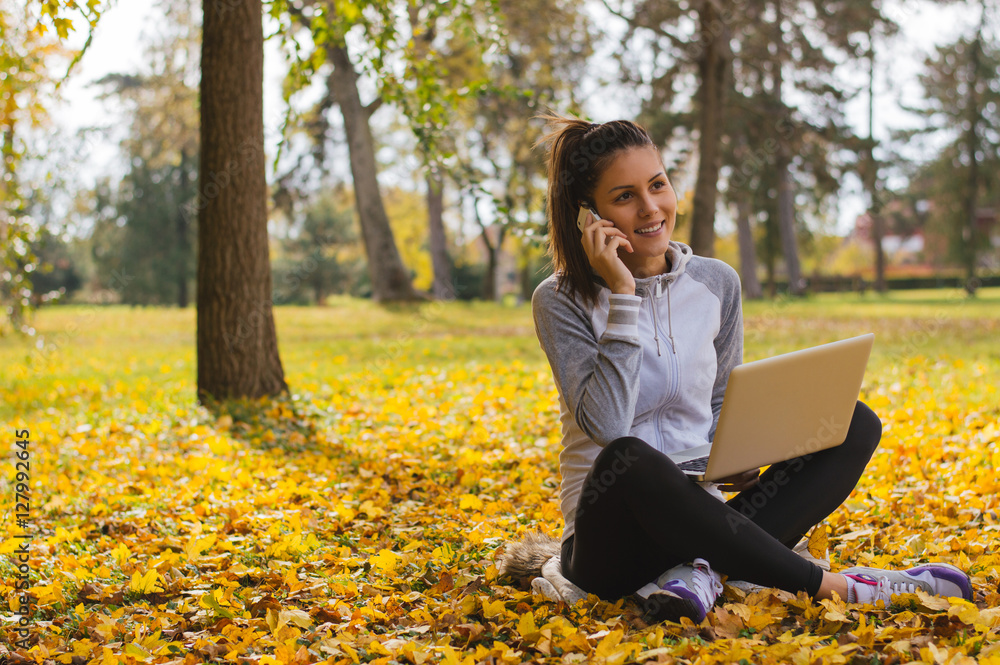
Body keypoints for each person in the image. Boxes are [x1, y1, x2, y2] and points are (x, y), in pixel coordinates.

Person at [526, 114, 973, 622]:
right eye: (624, 196)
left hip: (711, 515)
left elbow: (719, 404)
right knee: (629, 457)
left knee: (853, 422)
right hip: (610, 544)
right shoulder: (561, 301)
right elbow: (605, 425)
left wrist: (737, 453)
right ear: (590, 216)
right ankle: (840, 589)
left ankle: (701, 570)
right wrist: (624, 295)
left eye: (658, 184)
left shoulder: (717, 283)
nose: (651, 208)